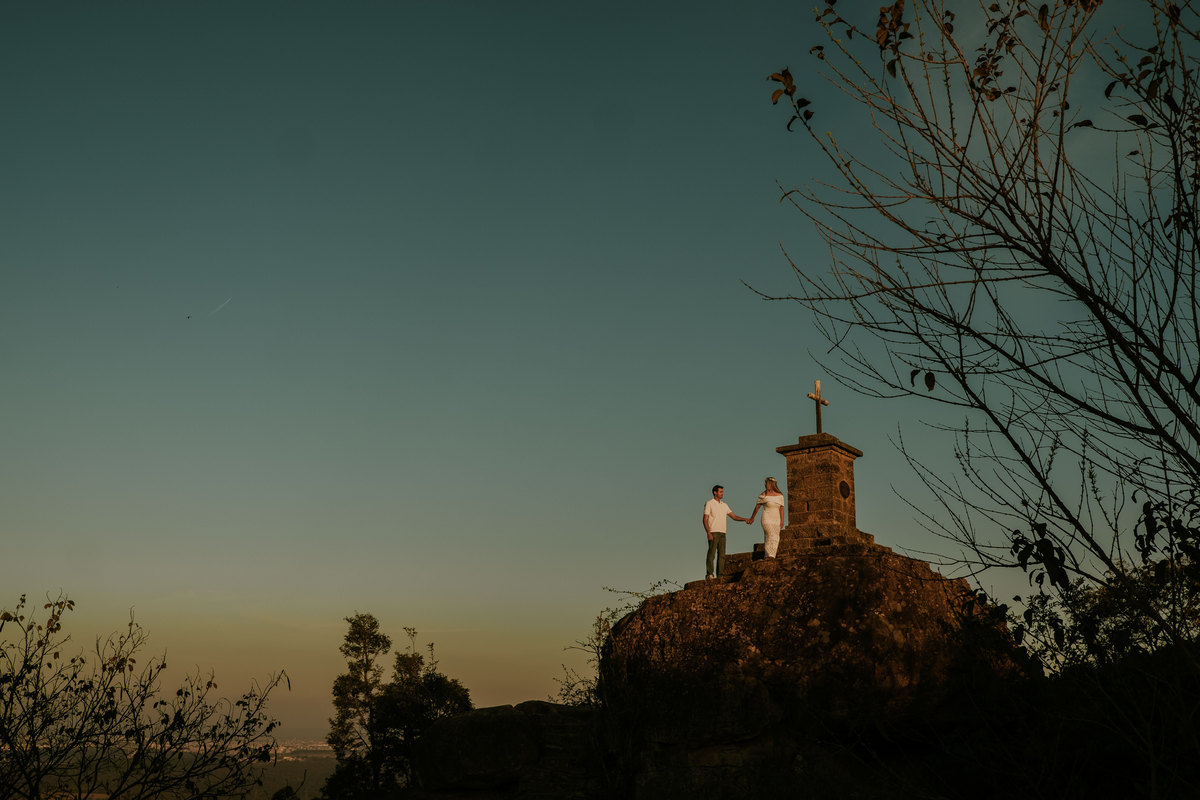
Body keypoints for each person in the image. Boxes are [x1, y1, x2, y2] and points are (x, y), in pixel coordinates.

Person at [703, 484, 749, 579]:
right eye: (720, 492)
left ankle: (720, 574)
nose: (722, 493)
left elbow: (733, 516)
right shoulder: (709, 503)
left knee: (722, 554)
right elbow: (705, 519)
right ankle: (709, 574)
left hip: (723, 532)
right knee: (711, 553)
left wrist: (745, 519)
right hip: (713, 531)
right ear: (715, 492)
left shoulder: (724, 505)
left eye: (722, 492)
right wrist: (708, 532)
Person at [747, 477, 786, 558]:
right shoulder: (763, 495)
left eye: (766, 483)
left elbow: (781, 508)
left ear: (770, 484)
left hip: (776, 519)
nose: (764, 484)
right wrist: (752, 518)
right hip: (766, 518)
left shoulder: (780, 495)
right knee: (771, 534)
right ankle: (770, 555)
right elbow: (757, 507)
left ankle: (769, 556)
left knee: (776, 537)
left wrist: (782, 520)